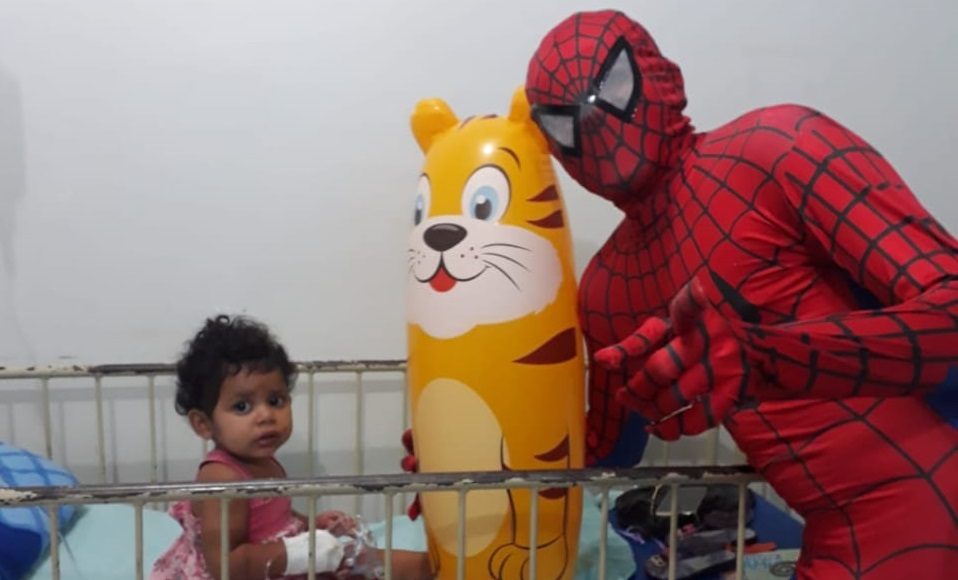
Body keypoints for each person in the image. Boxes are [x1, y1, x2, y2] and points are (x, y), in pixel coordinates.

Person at [523, 10, 958, 578]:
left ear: (662, 77)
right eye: (565, 122)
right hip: (840, 537)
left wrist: (769, 358)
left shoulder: (775, 148)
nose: (594, 123)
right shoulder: (607, 289)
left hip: (932, 491)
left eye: (612, 90)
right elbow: (606, 448)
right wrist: (469, 438)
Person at [151, 315, 431, 580]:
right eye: (242, 406)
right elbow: (226, 565)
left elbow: (275, 518)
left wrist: (312, 524)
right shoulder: (221, 478)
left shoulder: (265, 463)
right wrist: (302, 552)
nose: (265, 415)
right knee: (351, 562)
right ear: (203, 423)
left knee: (366, 559)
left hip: (277, 564)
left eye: (275, 401)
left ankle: (436, 566)